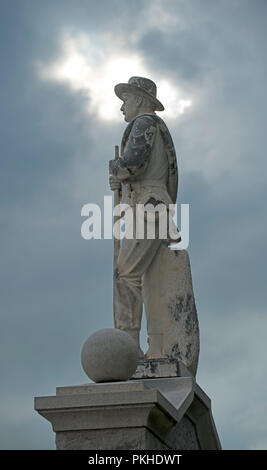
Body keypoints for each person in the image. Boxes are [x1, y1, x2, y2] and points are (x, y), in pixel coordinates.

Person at [109, 76, 179, 358]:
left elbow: (133, 165)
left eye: (125, 100)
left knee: (126, 274)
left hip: (148, 205)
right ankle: (157, 348)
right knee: (151, 280)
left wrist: (116, 168)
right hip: (156, 204)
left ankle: (127, 348)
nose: (122, 107)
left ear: (139, 99)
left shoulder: (144, 123)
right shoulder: (157, 128)